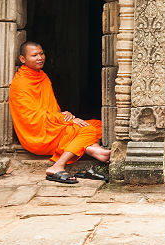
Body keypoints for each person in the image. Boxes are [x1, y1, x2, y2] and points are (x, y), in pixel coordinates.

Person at [9, 41, 110, 184]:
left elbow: (52, 109)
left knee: (99, 126)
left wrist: (63, 115)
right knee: (87, 130)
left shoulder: (42, 76)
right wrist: (64, 119)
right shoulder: (20, 84)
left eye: (41, 53)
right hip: (38, 134)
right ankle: (58, 166)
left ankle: (94, 151)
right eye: (34, 55)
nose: (40, 58)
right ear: (22, 59)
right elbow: (31, 119)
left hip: (51, 125)